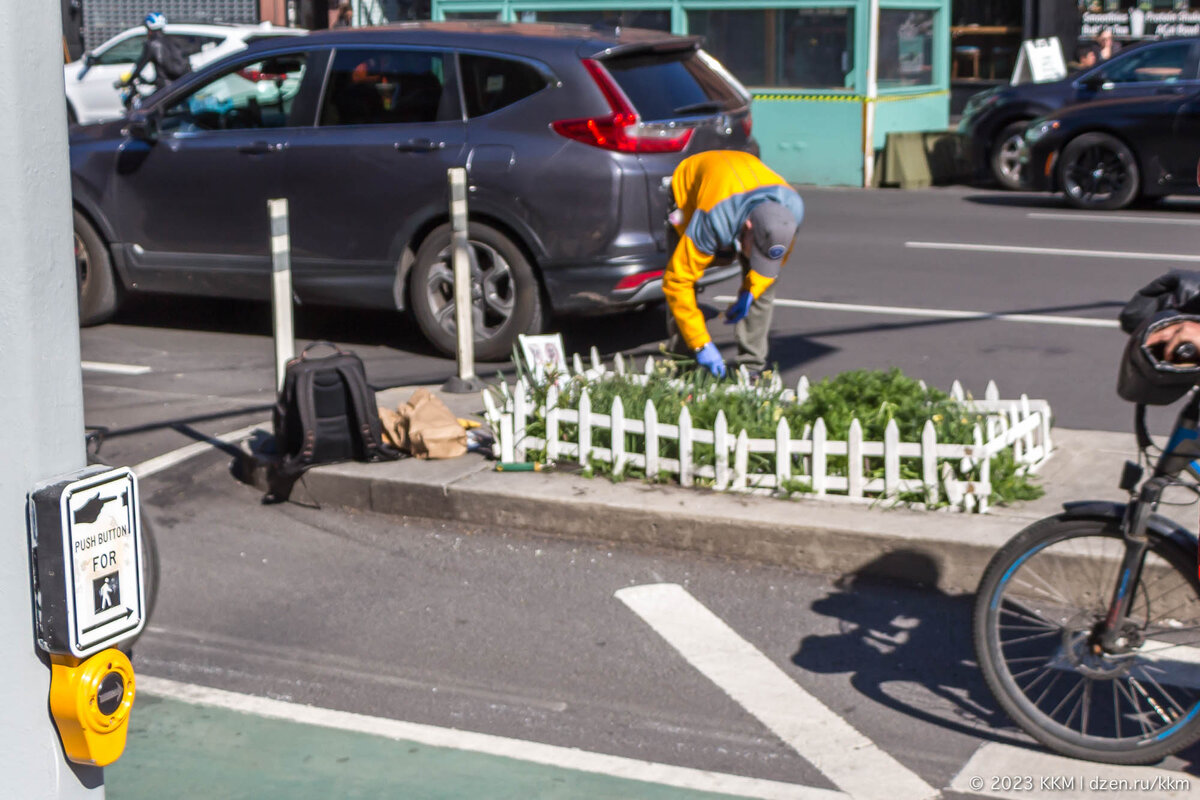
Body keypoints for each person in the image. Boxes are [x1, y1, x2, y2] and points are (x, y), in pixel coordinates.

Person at [663, 150, 804, 379]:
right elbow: (677, 281)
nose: (757, 260)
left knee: (764, 288)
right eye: (755, 251)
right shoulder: (714, 219)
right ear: (747, 227)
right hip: (691, 190)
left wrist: (750, 292)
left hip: (740, 180)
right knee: (684, 282)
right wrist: (701, 344)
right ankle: (684, 364)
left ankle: (751, 367)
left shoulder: (792, 212)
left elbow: (771, 267)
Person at [121, 12, 190, 92]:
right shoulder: (173, 40)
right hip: (182, 84)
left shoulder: (152, 44)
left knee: (148, 103)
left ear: (149, 29)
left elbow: (140, 66)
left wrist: (129, 80)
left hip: (165, 89)